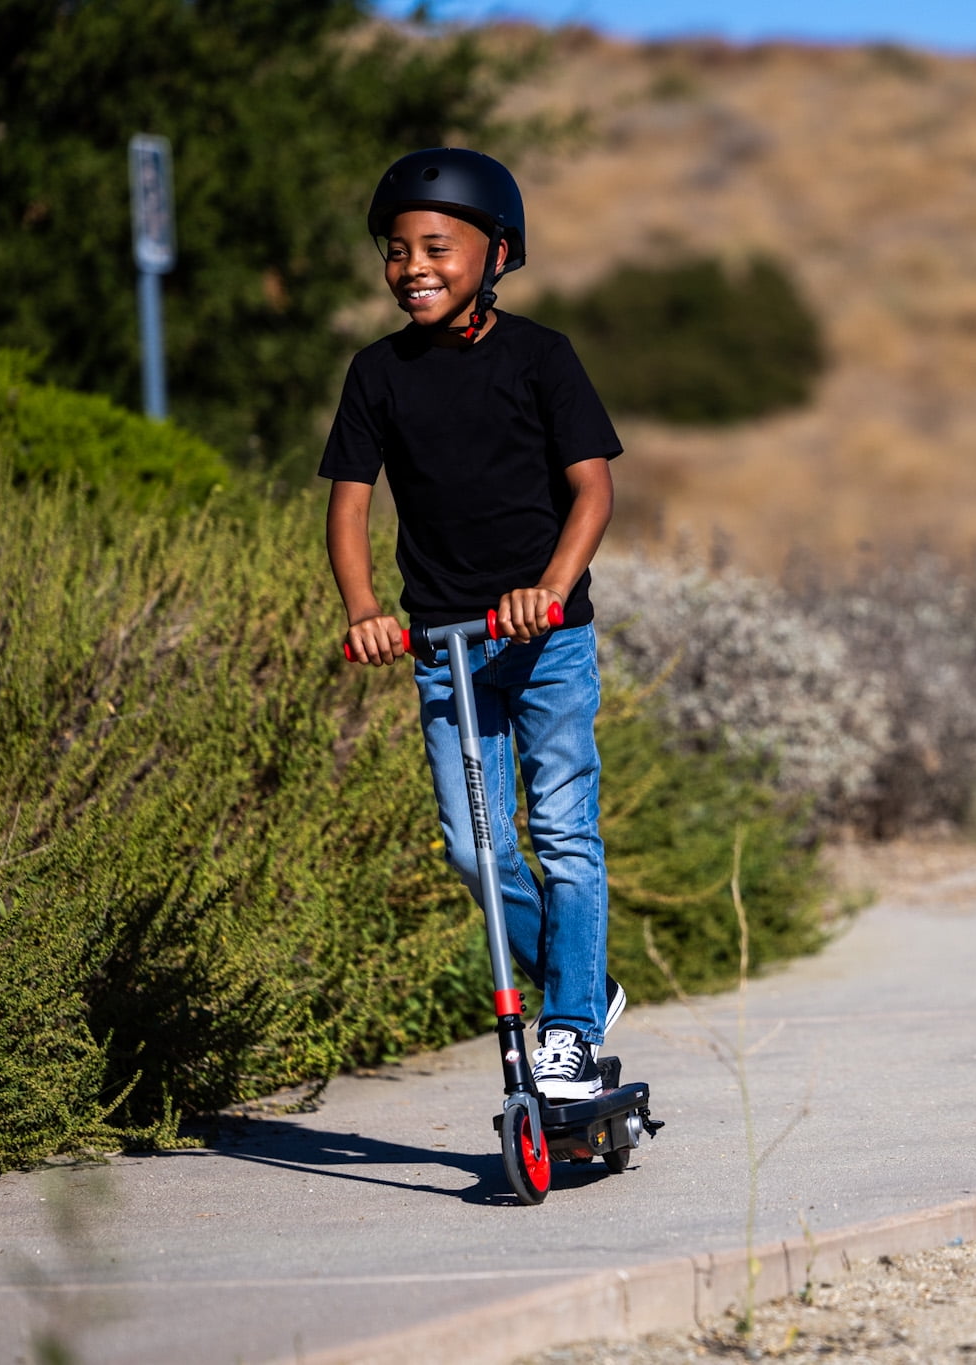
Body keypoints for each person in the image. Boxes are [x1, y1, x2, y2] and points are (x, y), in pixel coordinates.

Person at [322, 147, 624, 1101]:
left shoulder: (542, 357)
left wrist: (550, 588)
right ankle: (583, 978)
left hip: (547, 642)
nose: (412, 266)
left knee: (563, 830)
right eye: (397, 249)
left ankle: (569, 1027)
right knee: (473, 849)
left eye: (436, 247)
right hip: (443, 645)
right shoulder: (377, 374)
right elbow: (349, 505)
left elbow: (592, 491)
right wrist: (364, 610)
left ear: (495, 254)